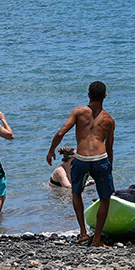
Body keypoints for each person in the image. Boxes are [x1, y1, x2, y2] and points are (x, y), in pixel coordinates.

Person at [46, 81, 115, 247]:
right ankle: (96, 240)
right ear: (105, 96)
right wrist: (109, 167)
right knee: (104, 198)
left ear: (88, 95)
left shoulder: (78, 111)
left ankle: (83, 233)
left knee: (76, 192)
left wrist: (51, 151)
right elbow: (110, 148)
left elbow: (60, 132)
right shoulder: (109, 120)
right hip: (100, 158)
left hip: (82, 158)